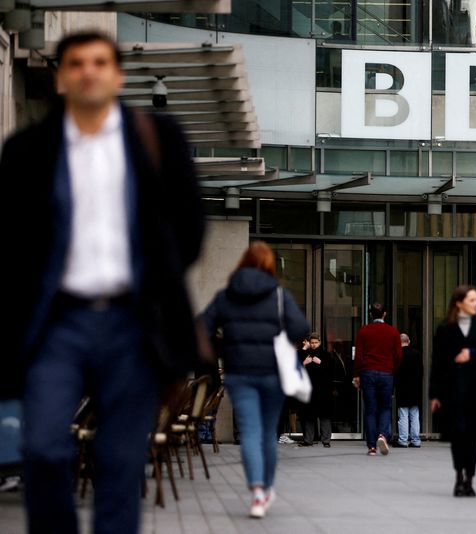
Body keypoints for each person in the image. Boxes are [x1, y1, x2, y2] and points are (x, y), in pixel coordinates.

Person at [0, 32, 204, 534]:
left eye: (99, 62)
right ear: (61, 76)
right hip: (57, 323)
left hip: (132, 322)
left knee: (120, 460)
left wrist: (158, 283)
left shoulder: (157, 138)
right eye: (76, 63)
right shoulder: (28, 150)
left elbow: (190, 225)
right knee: (43, 447)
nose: (87, 71)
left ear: (117, 76)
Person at [201, 241, 309, 518]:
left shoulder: (226, 296)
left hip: (238, 372)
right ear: (269, 264)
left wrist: (222, 347)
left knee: (249, 432)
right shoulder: (278, 295)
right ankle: (267, 488)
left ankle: (257, 492)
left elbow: (200, 328)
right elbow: (301, 327)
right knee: (268, 434)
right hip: (273, 373)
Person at [430, 285, 476, 497]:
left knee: (473, 437)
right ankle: (459, 476)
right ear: (459, 303)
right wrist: (434, 394)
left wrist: (472, 353)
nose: (475, 304)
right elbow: (437, 363)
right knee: (458, 435)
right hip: (453, 390)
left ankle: (470, 478)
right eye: (471, 300)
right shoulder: (445, 328)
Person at [353, 303, 403, 456]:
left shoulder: (364, 331)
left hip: (368, 372)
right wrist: (392, 370)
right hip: (386, 372)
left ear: (370, 315)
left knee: (370, 410)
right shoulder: (393, 332)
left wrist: (356, 375)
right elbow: (399, 356)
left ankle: (371, 447)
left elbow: (359, 356)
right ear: (384, 314)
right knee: (385, 407)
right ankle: (382, 434)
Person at [299, 332, 334, 447]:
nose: (314, 345)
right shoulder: (305, 354)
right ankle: (308, 440)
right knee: (309, 416)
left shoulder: (325, 355)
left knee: (324, 415)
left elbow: (331, 371)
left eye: (316, 343)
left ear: (319, 342)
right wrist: (304, 362)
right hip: (309, 389)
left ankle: (326, 441)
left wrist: (321, 363)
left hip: (322, 389)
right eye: (312, 343)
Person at [395, 333, 423, 448]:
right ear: (409, 341)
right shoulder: (417, 354)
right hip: (415, 389)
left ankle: (403, 440)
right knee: (415, 416)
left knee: (403, 415)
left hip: (402, 389)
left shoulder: (398, 355)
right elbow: (421, 372)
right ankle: (416, 440)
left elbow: (395, 373)